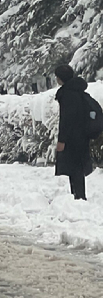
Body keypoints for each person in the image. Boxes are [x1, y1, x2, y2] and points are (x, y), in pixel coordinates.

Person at [54, 64, 93, 200]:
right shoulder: (77, 90)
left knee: (74, 167)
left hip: (72, 137)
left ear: (61, 78)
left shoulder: (67, 94)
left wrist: (61, 140)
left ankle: (79, 197)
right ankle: (77, 195)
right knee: (77, 166)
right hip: (82, 135)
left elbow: (66, 119)